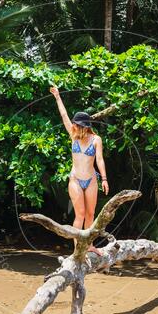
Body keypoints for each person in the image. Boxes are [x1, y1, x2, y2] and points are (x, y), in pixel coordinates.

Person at [49, 86, 109, 255]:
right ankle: (77, 248)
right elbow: (63, 115)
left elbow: (99, 160)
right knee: (80, 214)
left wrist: (104, 179)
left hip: (91, 180)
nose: (73, 126)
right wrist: (57, 97)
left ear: (83, 126)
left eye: (76, 124)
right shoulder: (72, 135)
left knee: (90, 214)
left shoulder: (96, 139)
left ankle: (89, 245)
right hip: (75, 179)